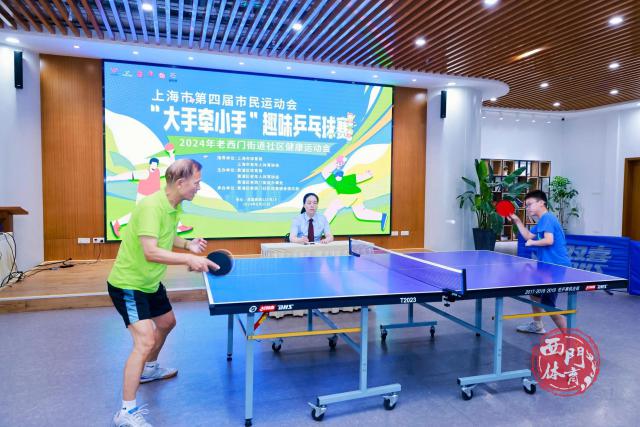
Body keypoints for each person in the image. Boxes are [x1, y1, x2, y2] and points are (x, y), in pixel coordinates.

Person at [107, 159, 218, 427]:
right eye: (197, 182)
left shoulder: (173, 206)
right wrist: (189, 260)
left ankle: (149, 370)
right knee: (144, 341)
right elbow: (151, 251)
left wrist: (187, 245)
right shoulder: (151, 206)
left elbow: (165, 236)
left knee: (167, 322)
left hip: (150, 283)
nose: (199, 187)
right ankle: (126, 412)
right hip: (129, 284)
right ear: (180, 183)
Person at [508, 189, 571, 334]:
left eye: (530, 204)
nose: (527, 208)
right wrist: (517, 220)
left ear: (541, 202)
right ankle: (537, 325)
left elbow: (549, 240)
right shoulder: (543, 221)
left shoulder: (547, 218)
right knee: (535, 293)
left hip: (555, 266)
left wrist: (533, 243)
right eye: (526, 205)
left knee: (548, 304)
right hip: (545, 266)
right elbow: (528, 235)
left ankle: (571, 338)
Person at [107, 144, 192, 238]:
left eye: (156, 164)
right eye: (153, 164)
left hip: (153, 198)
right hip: (143, 198)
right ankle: (117, 222)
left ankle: (179, 226)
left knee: (167, 209)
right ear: (150, 164)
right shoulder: (144, 173)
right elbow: (128, 175)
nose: (154, 166)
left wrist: (171, 153)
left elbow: (172, 167)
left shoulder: (159, 172)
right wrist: (112, 178)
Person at [321, 155, 388, 231]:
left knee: (334, 206)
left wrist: (368, 175)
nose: (338, 177)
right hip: (355, 196)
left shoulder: (344, 179)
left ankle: (322, 226)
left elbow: (358, 178)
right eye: (337, 176)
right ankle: (381, 216)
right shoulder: (334, 181)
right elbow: (325, 172)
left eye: (339, 176)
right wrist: (337, 162)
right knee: (360, 213)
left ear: (341, 176)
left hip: (349, 196)